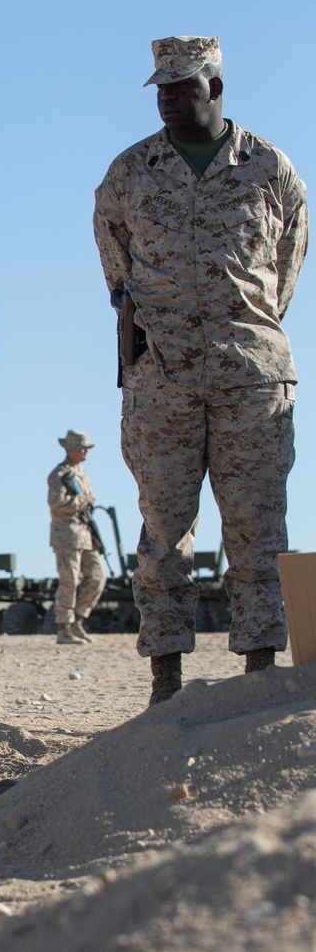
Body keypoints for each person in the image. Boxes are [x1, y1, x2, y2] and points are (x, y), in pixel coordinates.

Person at [93, 36, 308, 704]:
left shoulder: (271, 168)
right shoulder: (130, 172)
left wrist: (239, 325)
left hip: (253, 376)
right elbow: (116, 269)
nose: (167, 98)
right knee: (163, 528)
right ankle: (166, 680)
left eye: (182, 86)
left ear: (215, 87)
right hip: (163, 380)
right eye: (160, 86)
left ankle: (263, 674)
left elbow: (288, 264)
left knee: (260, 527)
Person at [47, 430, 106, 644]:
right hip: (66, 535)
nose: (86, 451)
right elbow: (56, 503)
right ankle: (64, 629)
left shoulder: (82, 473)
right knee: (69, 581)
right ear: (70, 450)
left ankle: (77, 621)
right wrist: (84, 501)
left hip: (86, 534)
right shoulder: (59, 474)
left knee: (98, 577)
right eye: (82, 448)